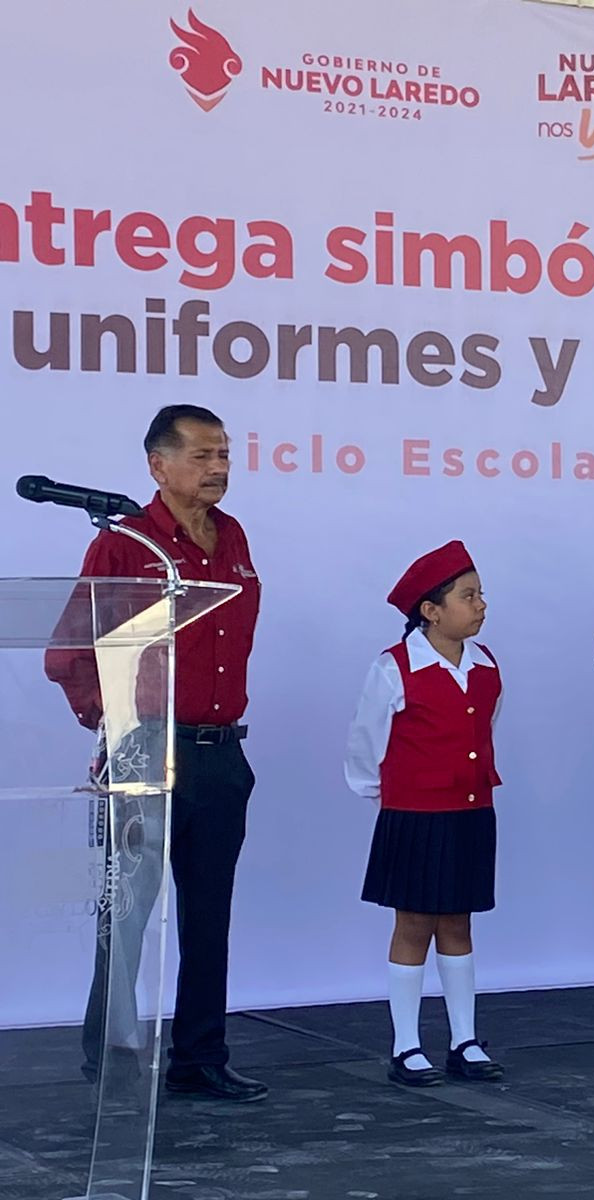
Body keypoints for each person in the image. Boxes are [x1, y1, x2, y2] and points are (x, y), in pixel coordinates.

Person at [46, 404, 266, 1102]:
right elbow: (67, 653)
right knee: (131, 914)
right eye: (202, 455)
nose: (219, 467)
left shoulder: (231, 536)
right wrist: (114, 726)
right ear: (157, 465)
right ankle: (112, 1057)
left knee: (208, 915)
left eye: (224, 453)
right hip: (147, 745)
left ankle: (200, 1056)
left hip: (221, 750)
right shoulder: (126, 544)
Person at [345, 541, 506, 1086]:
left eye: (480, 593)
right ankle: (407, 1043)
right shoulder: (394, 668)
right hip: (413, 814)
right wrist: (388, 799)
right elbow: (367, 744)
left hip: (469, 812)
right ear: (431, 611)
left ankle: (464, 1039)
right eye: (468, 596)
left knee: (458, 921)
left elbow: (483, 729)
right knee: (413, 923)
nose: (481, 604)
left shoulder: (486, 667)